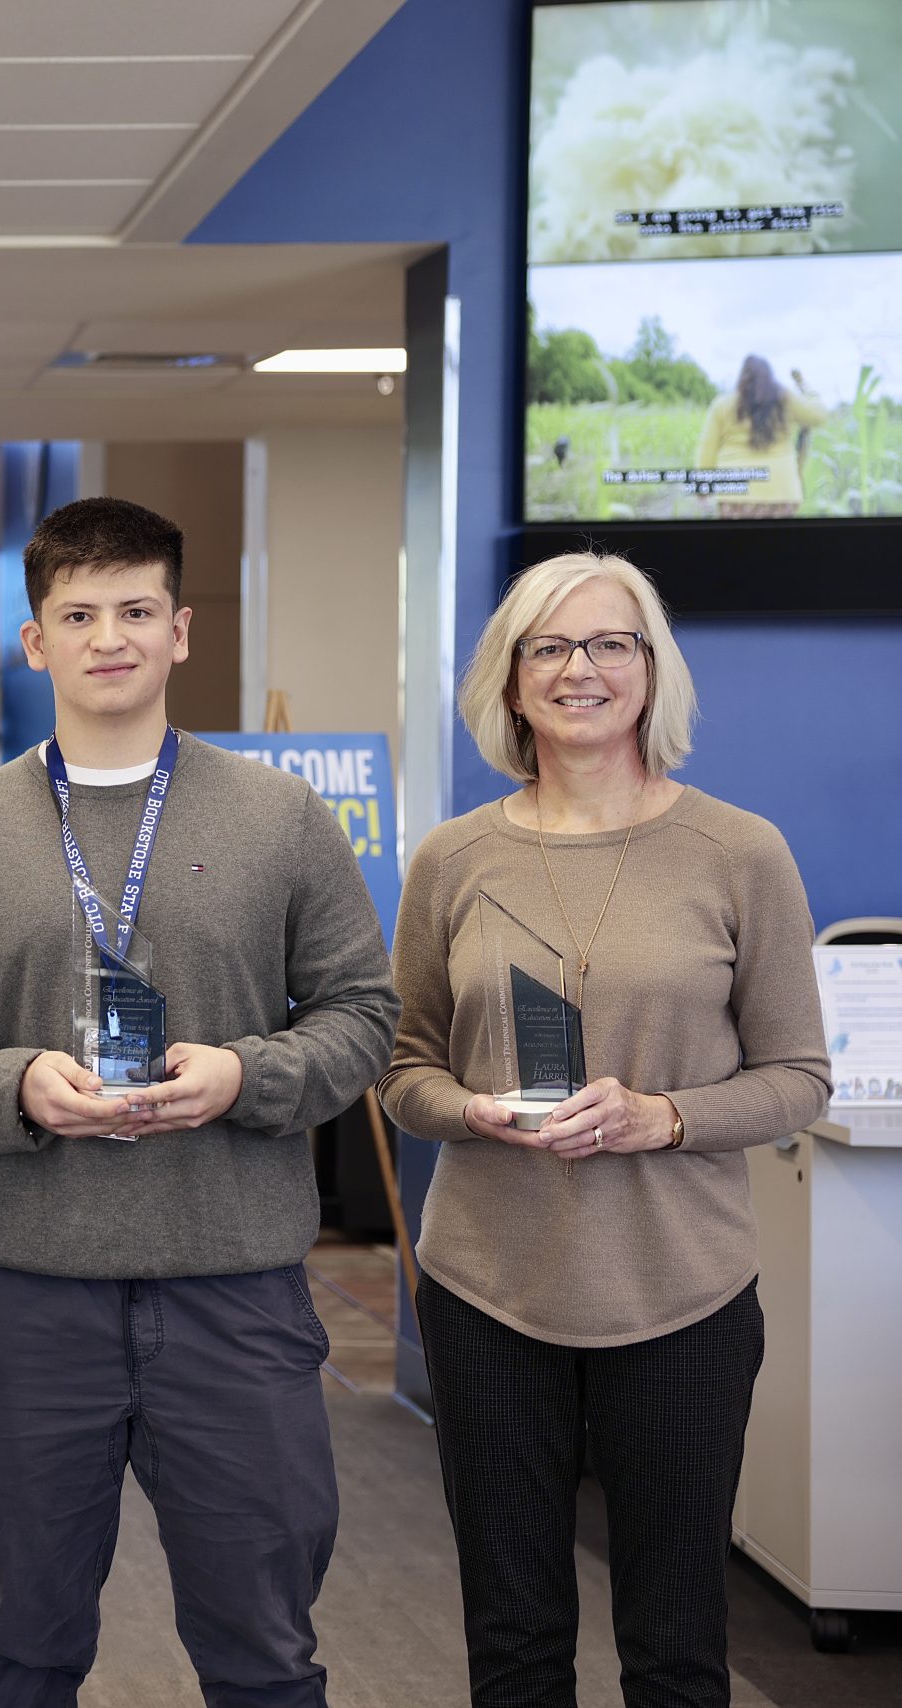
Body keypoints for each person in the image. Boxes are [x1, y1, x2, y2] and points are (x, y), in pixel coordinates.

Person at [0, 496, 398, 1708]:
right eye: (77, 613)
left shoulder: (281, 819)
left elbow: (361, 1017)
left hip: (236, 1298)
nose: (106, 636)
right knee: (19, 1650)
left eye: (133, 610)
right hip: (24, 1302)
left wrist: (246, 1074)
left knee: (265, 1653)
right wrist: (14, 1087)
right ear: (34, 640)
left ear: (180, 630)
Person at [380, 551, 829, 1707]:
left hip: (682, 1294)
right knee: (515, 1641)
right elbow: (402, 1068)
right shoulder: (452, 857)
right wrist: (466, 1110)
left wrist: (662, 1116)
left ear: (650, 669)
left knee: (677, 1647)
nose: (581, 669)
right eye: (550, 647)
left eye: (610, 644)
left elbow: (796, 1079)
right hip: (488, 1293)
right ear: (511, 681)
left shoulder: (740, 852)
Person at [693, 355, 828, 519]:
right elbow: (819, 415)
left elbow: (707, 450)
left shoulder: (723, 404)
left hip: (734, 496)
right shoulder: (785, 399)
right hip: (783, 491)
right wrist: (805, 386)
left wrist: (701, 490)